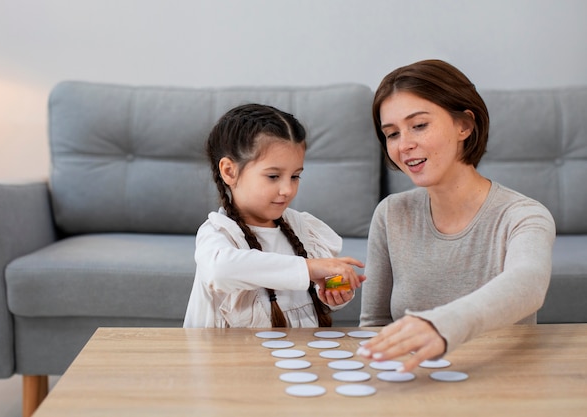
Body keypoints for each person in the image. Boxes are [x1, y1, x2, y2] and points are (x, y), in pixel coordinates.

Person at [356, 59, 556, 371]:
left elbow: (528, 284)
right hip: (413, 383)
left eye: (419, 125)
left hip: (500, 381)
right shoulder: (391, 214)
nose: (404, 144)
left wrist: (441, 325)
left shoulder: (523, 216)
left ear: (464, 125)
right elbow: (374, 325)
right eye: (392, 133)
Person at [183, 103, 365, 328]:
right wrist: (309, 268)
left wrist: (335, 289)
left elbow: (315, 293)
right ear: (229, 171)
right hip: (230, 360)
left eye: (295, 176)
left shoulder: (303, 229)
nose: (287, 189)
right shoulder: (218, 233)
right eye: (273, 176)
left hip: (296, 357)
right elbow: (220, 271)